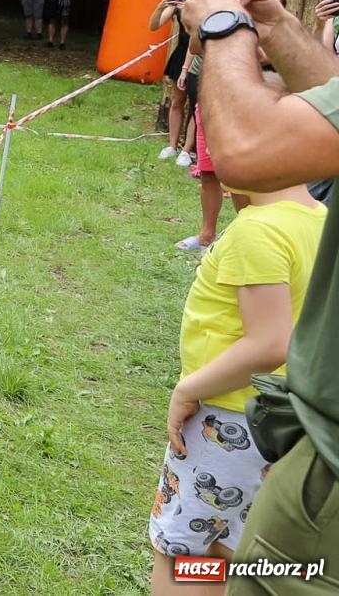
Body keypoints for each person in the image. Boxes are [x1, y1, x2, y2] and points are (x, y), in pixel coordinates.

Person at [176, 0, 339, 583]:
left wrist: (224, 26)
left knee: (200, 558)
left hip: (325, 469)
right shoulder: (307, 216)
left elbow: (245, 149)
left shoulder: (259, 231)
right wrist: (278, 29)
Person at [146, 93, 324, 593]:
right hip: (286, 422)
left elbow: (270, 342)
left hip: (227, 421)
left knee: (185, 553)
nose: (212, 162)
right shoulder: (320, 221)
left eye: (220, 146)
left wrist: (188, 389)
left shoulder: (258, 232)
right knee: (232, 550)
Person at [176, 0, 287, 252]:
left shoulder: (281, 29)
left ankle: (244, 241)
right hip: (213, 105)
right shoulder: (234, 20)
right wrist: (212, 19)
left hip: (249, 112)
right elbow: (195, 45)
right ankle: (206, 237)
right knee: (209, 173)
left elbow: (267, 62)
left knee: (241, 179)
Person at [152, 0, 202, 162]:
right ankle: (172, 146)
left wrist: (187, 12)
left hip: (197, 54)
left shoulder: (202, 3)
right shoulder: (176, 2)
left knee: (197, 105)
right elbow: (154, 25)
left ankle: (187, 150)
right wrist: (162, 5)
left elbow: (197, 34)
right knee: (177, 101)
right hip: (181, 52)